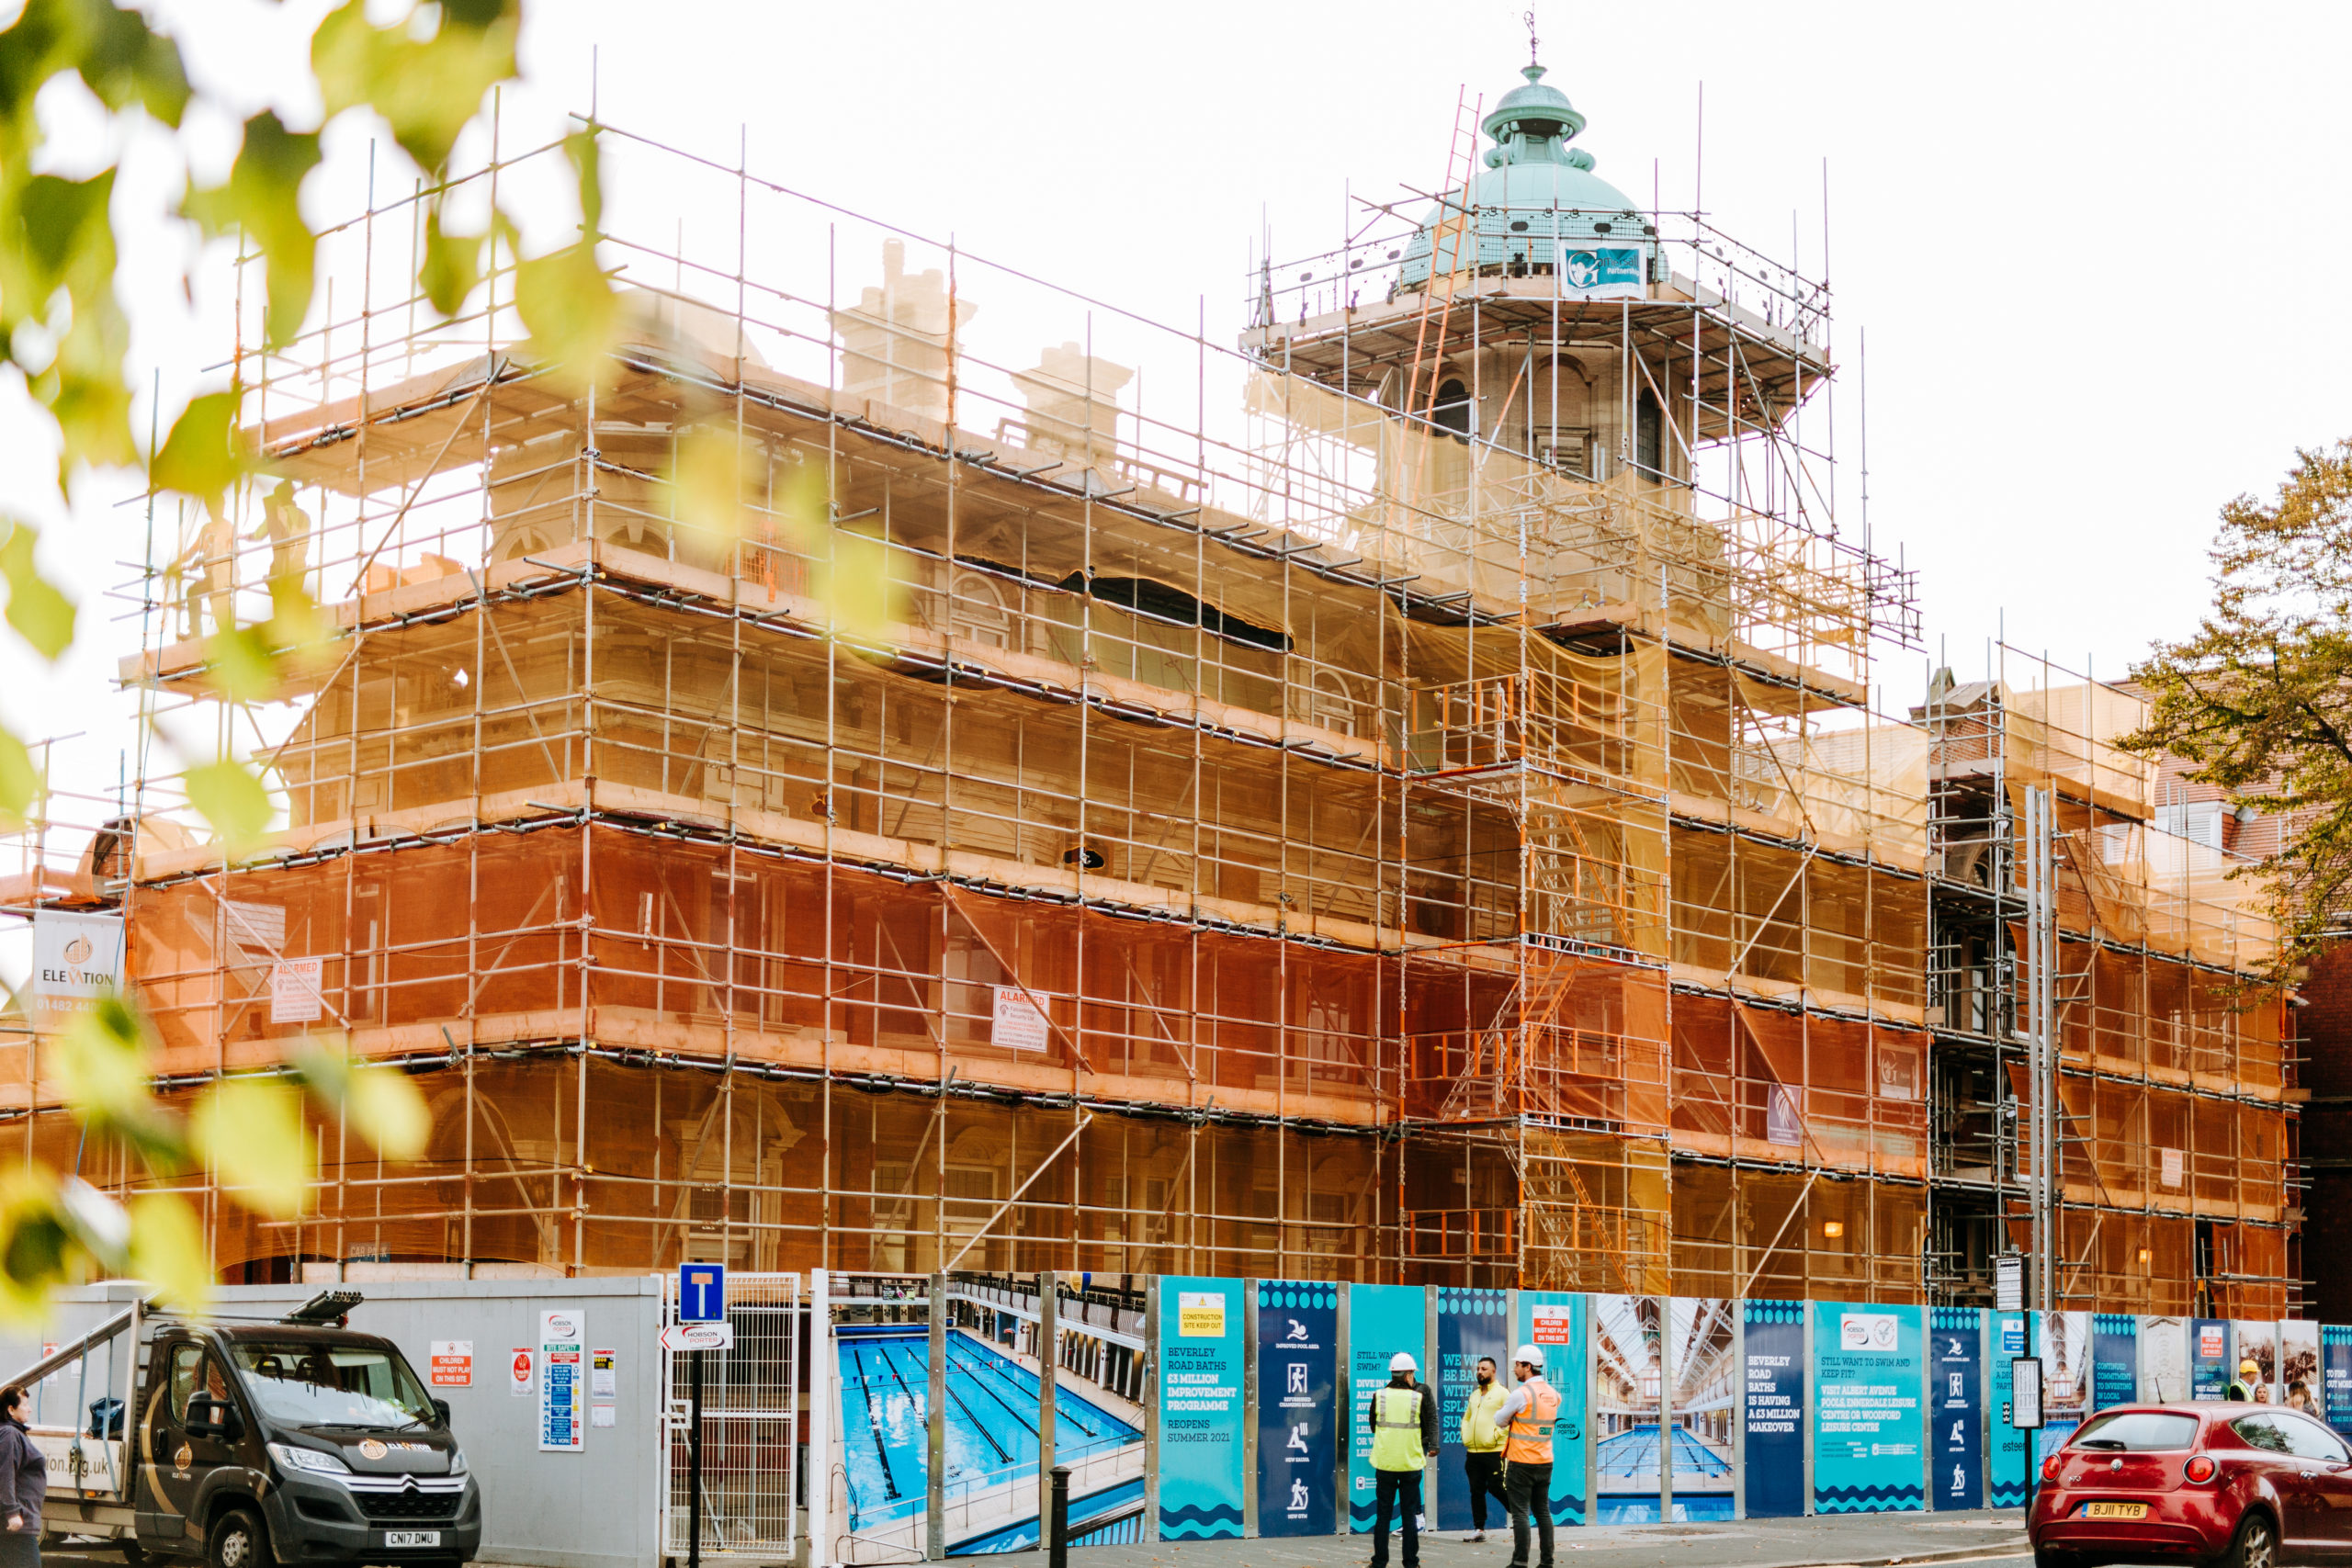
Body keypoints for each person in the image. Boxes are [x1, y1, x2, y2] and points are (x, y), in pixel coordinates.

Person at [1367, 1351, 1437, 1568]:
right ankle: (1411, 1563)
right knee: (1409, 1516)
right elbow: (1428, 1423)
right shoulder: (1418, 1397)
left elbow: (1372, 1425)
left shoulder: (1379, 1396)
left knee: (1383, 1516)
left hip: (1385, 1463)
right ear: (1408, 1375)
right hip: (1410, 1464)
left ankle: (1379, 1562)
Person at [1496, 1345, 1560, 1568]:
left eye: (1517, 1364)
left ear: (1528, 1366)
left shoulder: (1521, 1394)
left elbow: (1500, 1420)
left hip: (1522, 1462)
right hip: (1545, 1462)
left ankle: (1520, 1562)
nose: (1514, 1369)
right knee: (1543, 1512)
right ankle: (1546, 1563)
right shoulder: (1554, 1395)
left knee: (1520, 1513)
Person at [1459, 1354, 1511, 1543]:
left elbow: (1509, 1420)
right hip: (1473, 1453)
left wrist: (1494, 1437)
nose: (1479, 1372)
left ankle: (1518, 1514)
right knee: (1476, 1491)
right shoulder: (1474, 1395)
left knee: (1497, 1487)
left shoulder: (1503, 1393)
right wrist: (1465, 1435)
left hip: (1493, 1452)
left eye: (1484, 1369)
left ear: (1493, 1371)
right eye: (1478, 1369)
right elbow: (1466, 1418)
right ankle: (1479, 1529)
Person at [0, 1382, 43, 1568]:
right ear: (11, 1409)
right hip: (17, 1525)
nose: (30, 1409)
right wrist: (12, 1513)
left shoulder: (13, 1433)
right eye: (24, 1404)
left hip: (18, 1522)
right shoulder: (10, 1434)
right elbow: (5, 1474)